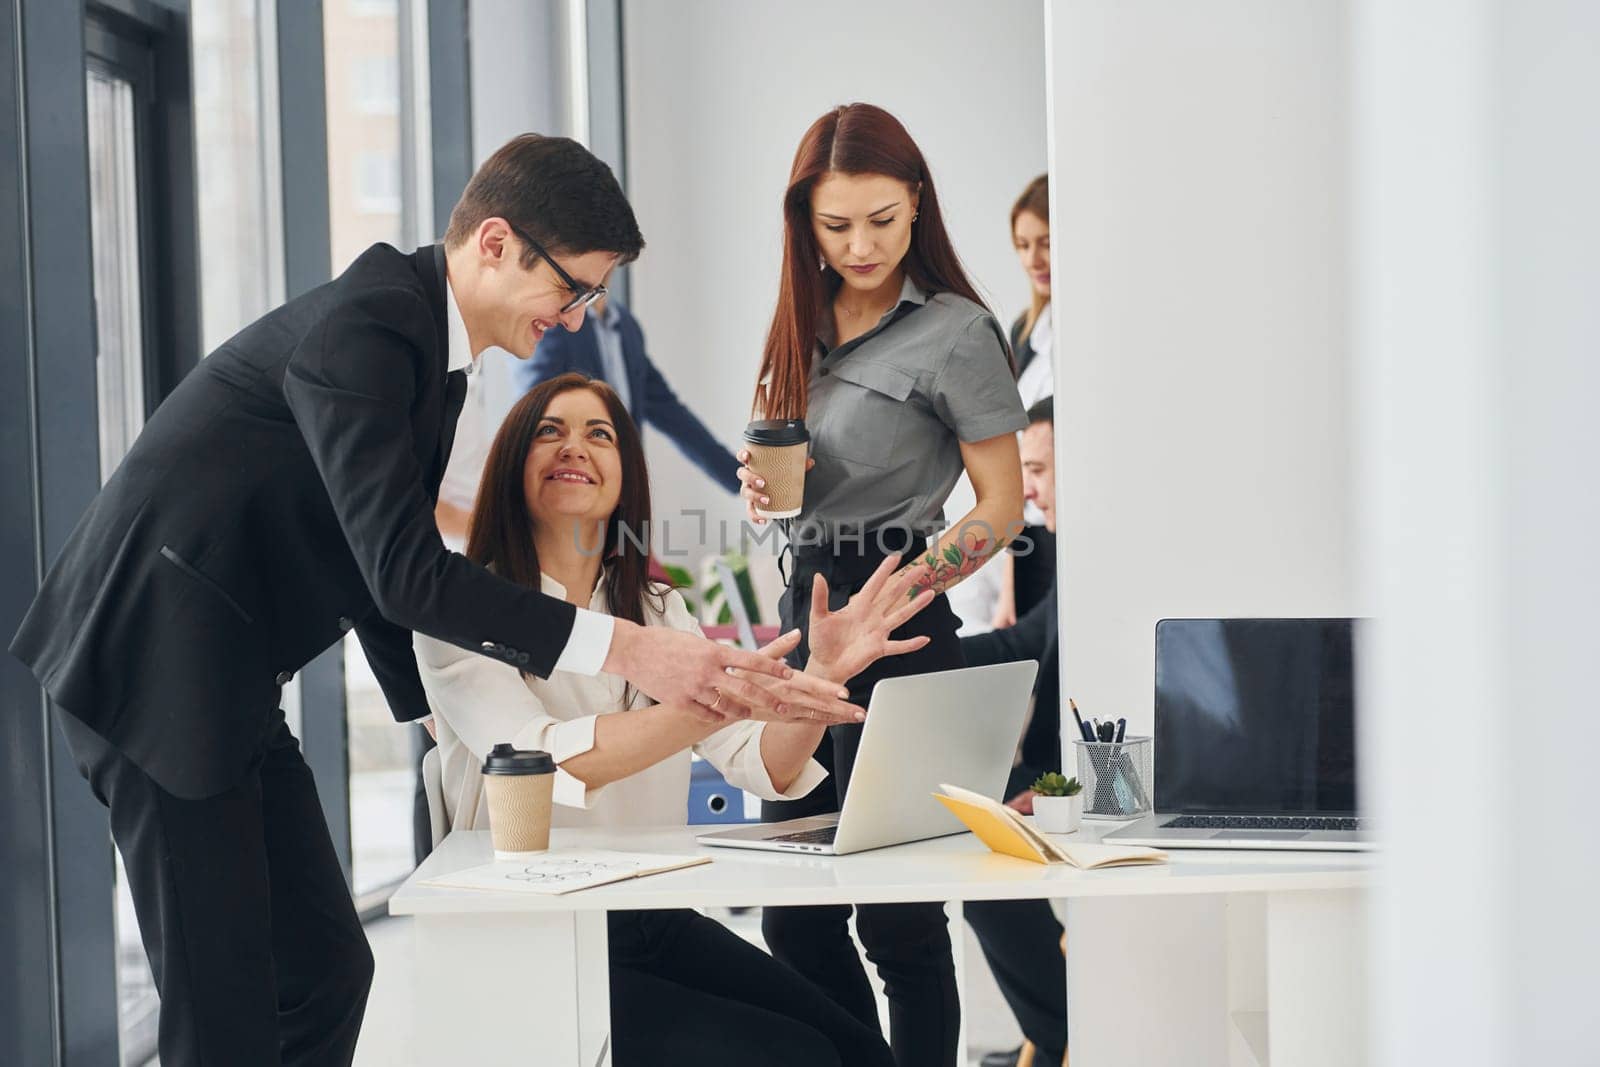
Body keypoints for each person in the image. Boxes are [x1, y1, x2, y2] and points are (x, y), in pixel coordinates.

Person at [7, 134, 855, 1067]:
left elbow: (376, 571)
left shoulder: (425, 359)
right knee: (223, 1014)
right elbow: (408, 576)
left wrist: (437, 721)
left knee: (330, 970)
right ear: (495, 243)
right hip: (153, 663)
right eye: (572, 288)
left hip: (230, 680)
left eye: (591, 298)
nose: (576, 318)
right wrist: (633, 651)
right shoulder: (372, 327)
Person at [416, 372, 931, 1067]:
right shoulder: (460, 612)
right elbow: (547, 761)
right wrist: (710, 704)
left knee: (859, 1050)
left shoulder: (657, 609)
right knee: (792, 1057)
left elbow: (767, 764)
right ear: (513, 465)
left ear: (627, 479)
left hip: (650, 916)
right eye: (549, 431)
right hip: (531, 931)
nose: (575, 447)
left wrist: (821, 677)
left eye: (599, 434)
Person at [736, 103, 1028, 1067]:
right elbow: (795, 481)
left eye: (881, 220)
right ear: (804, 223)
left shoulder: (957, 332)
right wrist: (761, 486)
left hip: (897, 620)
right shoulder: (800, 322)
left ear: (916, 206)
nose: (859, 244)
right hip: (804, 611)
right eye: (835, 225)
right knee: (796, 916)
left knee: (897, 916)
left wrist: (911, 585)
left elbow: (999, 505)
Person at [961, 397, 1069, 1067]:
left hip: (1096, 775)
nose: (1025, 489)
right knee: (973, 823)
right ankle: (1059, 1028)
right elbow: (1025, 643)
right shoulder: (1071, 554)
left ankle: (1063, 1030)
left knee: (980, 849)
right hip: (1061, 767)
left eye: (1037, 469)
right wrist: (914, 655)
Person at [951, 173, 1055, 634]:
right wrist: (1010, 579)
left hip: (1061, 529)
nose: (1034, 258)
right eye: (1022, 244)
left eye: (1047, 242)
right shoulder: (1025, 333)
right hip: (1027, 532)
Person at [511, 295, 741, 492]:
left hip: (623, 483)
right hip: (575, 484)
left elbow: (670, 412)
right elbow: (533, 410)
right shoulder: (557, 324)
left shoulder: (627, 326)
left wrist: (737, 477)